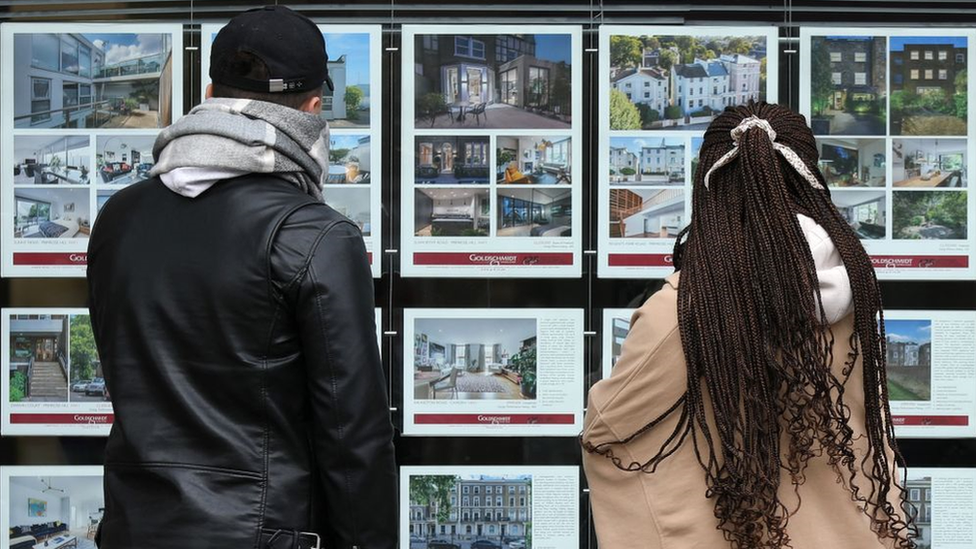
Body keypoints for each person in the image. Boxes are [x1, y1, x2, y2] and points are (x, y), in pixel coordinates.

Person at [87, 6, 396, 549]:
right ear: (315, 108)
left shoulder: (119, 217)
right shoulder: (315, 234)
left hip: (133, 527)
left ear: (210, 90)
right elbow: (352, 438)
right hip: (264, 533)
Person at [581, 103, 917, 549]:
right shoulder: (854, 289)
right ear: (812, 179)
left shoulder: (681, 311)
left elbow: (608, 431)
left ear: (709, 187)